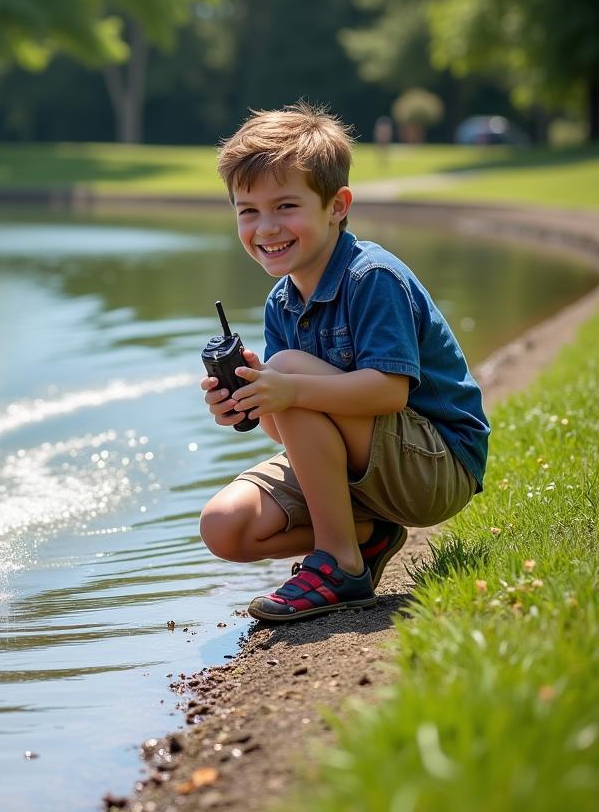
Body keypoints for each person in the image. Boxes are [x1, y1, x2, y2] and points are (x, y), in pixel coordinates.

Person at [199, 102, 489, 622]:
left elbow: (389, 394)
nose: (265, 228)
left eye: (286, 206)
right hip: (365, 472)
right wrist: (251, 400)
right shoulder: (281, 302)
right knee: (224, 527)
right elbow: (293, 428)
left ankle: (339, 565)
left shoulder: (371, 277)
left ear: (337, 205)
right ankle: (368, 538)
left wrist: (284, 387)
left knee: (287, 368)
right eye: (248, 211)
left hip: (437, 465)